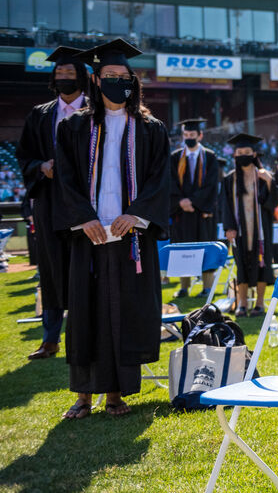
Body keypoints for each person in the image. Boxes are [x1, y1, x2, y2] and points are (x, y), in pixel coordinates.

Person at [53, 39, 170, 419]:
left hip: (130, 237)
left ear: (133, 81)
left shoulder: (150, 129)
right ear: (96, 79)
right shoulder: (75, 126)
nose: (117, 82)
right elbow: (66, 179)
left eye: (124, 77)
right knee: (87, 312)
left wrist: (136, 215)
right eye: (109, 76)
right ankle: (84, 395)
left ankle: (117, 393)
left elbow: (159, 180)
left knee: (125, 313)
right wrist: (83, 217)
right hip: (90, 234)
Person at [16, 46, 87, 361]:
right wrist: (41, 167)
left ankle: (86, 334)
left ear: (82, 77)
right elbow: (24, 155)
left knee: (86, 268)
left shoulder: (96, 112)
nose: (63, 78)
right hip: (49, 201)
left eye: (70, 73)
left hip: (85, 204)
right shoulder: (40, 114)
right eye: (59, 74)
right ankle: (50, 339)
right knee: (51, 269)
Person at [221, 133, 278, 317]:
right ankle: (242, 303)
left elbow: (274, 202)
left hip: (261, 229)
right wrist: (229, 227)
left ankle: (260, 304)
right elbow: (225, 205)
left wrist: (270, 181)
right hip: (239, 229)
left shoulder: (263, 177)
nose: (243, 155)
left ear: (254, 154)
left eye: (247, 151)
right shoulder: (230, 179)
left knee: (262, 264)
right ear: (235, 155)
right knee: (241, 264)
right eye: (239, 152)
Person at [169, 118, 220, 297]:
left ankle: (207, 287)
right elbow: (170, 183)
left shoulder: (210, 157)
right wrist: (181, 202)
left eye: (192, 134)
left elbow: (211, 185)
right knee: (182, 248)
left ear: (200, 135)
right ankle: (184, 287)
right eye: (186, 134)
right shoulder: (175, 158)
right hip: (181, 213)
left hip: (201, 212)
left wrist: (194, 202)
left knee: (205, 247)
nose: (189, 137)